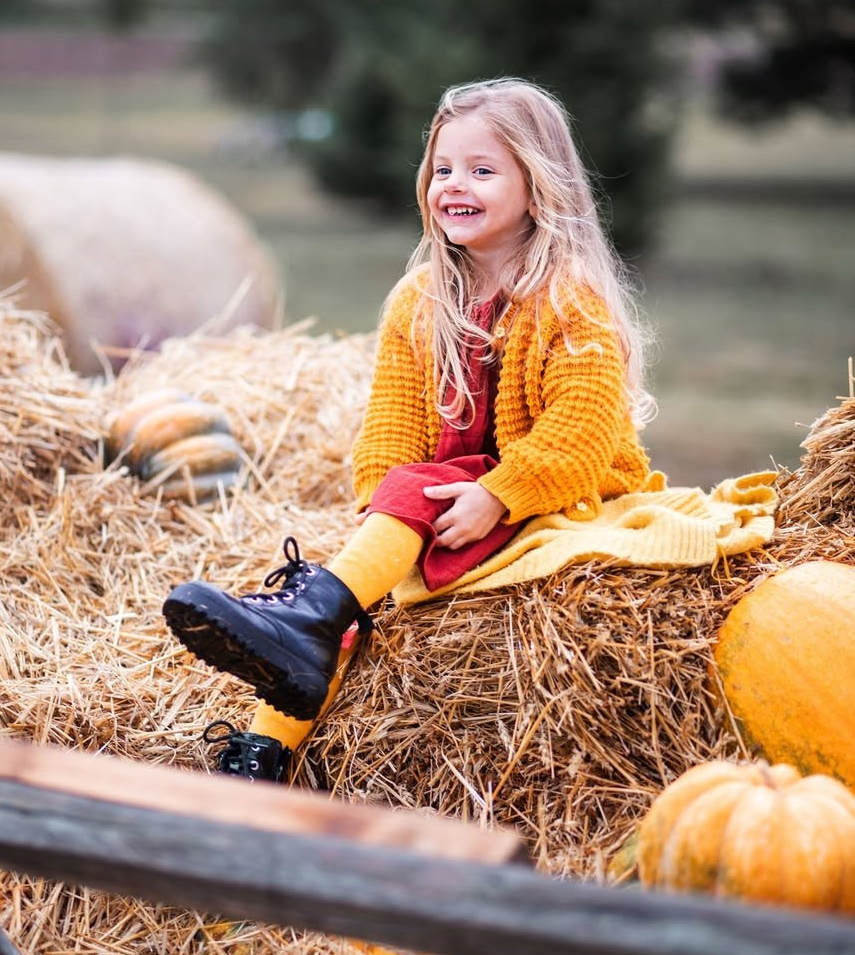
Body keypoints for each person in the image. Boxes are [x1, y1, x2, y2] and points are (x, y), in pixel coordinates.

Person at [164, 77, 653, 782]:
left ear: (537, 186)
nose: (456, 185)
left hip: (549, 491)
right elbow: (389, 431)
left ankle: (310, 616)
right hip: (442, 498)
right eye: (443, 169)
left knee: (356, 575)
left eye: (483, 171)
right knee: (354, 611)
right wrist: (378, 515)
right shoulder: (419, 301)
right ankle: (264, 750)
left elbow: (579, 436)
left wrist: (499, 493)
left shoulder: (569, 301)